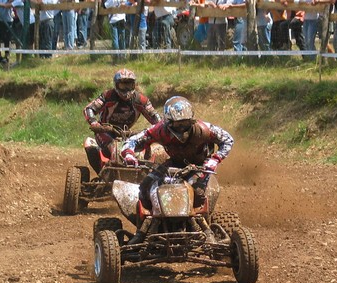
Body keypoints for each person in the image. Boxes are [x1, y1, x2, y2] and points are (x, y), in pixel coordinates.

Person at [120, 96, 234, 245]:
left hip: (199, 165)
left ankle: (204, 230)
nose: (182, 128)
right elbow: (132, 140)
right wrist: (129, 153)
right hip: (173, 164)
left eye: (185, 123)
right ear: (168, 122)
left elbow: (228, 139)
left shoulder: (204, 129)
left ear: (191, 120)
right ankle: (143, 231)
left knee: (198, 194)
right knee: (145, 187)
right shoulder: (159, 130)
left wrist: (215, 159)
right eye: (178, 124)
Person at [83, 68, 161, 175]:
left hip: (127, 134)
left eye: (129, 85)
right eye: (123, 85)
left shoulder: (140, 100)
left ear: (134, 85)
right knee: (109, 146)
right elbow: (89, 109)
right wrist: (94, 122)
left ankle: (145, 174)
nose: (126, 89)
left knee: (147, 147)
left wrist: (159, 128)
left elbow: (154, 116)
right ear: (116, 85)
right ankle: (104, 174)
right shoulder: (108, 96)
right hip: (104, 131)